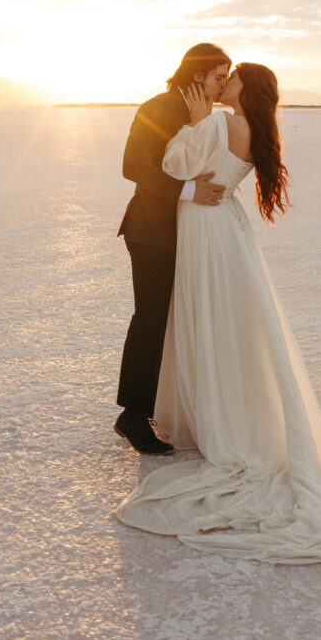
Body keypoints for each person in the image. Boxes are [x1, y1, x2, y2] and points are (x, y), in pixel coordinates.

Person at [116, 63, 321, 563]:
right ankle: (215, 410)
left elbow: (179, 164)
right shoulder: (251, 127)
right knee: (231, 321)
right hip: (226, 229)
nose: (225, 84)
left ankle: (214, 419)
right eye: (220, 74)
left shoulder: (219, 122)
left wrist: (195, 123)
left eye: (233, 77)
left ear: (244, 87)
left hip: (204, 227)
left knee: (209, 318)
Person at [114, 43, 231, 454]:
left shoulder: (206, 115)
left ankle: (170, 408)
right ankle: (132, 414)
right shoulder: (160, 106)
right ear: (198, 74)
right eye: (219, 76)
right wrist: (187, 191)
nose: (223, 85)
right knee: (152, 320)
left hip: (186, 234)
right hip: (151, 233)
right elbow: (133, 164)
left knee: (177, 320)